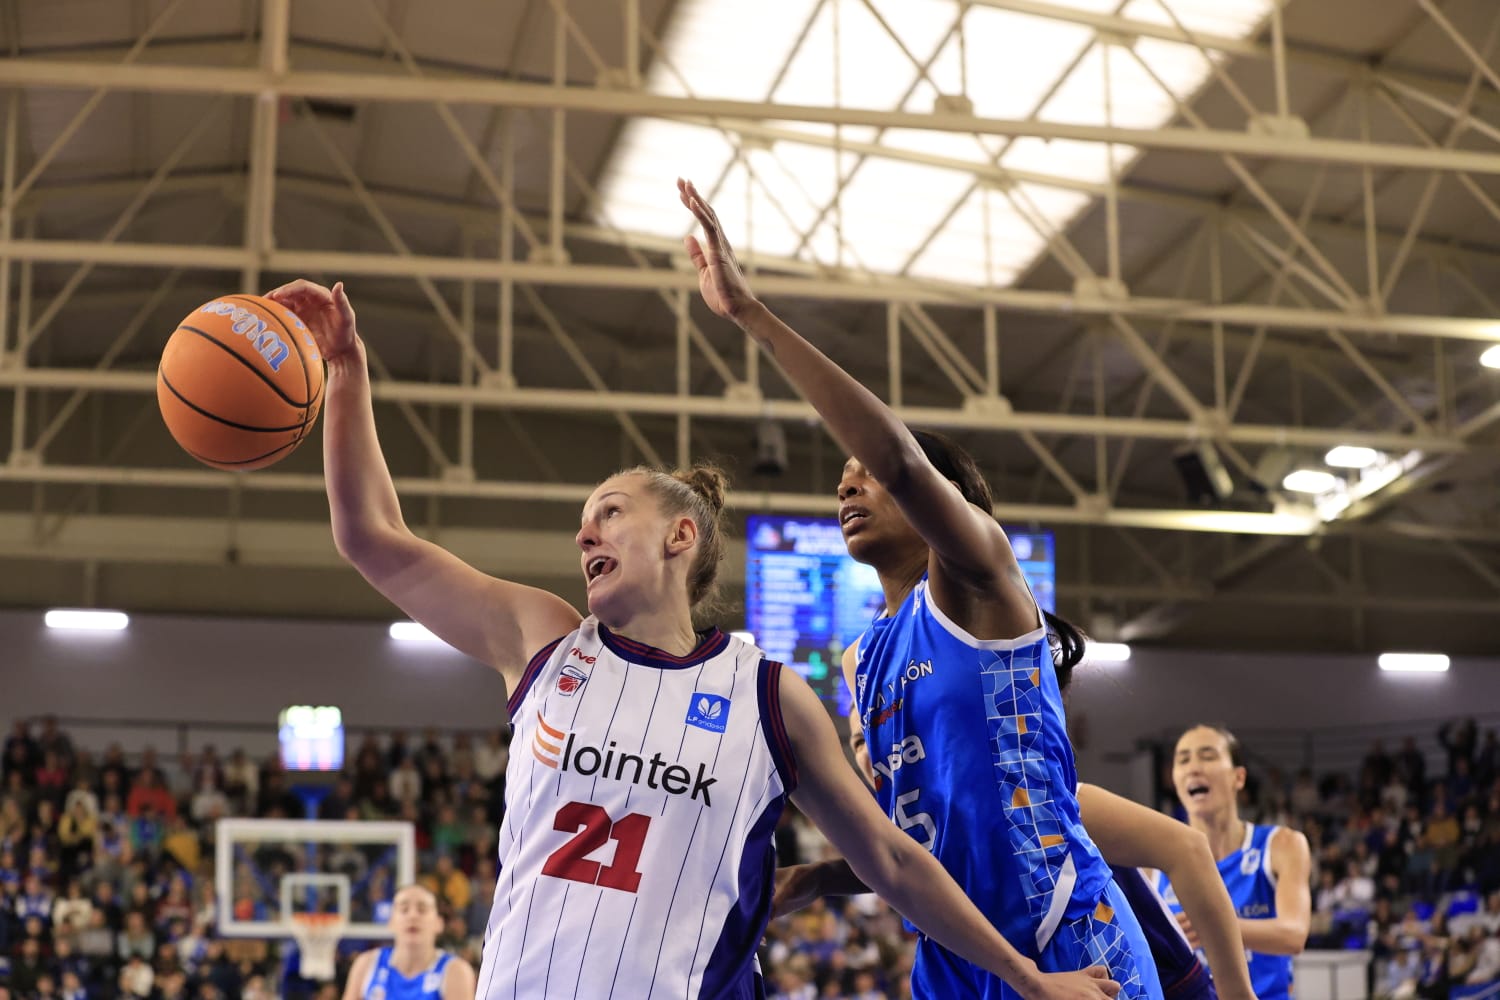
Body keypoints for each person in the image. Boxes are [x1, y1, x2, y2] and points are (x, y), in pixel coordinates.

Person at [267, 275, 1121, 1000]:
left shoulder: (768, 697)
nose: (584, 536)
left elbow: (893, 863)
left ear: (681, 536)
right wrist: (346, 369)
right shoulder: (544, 641)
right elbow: (371, 537)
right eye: (582, 523)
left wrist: (1031, 980)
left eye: (609, 513)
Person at [676, 178, 1166, 1000]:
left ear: (945, 499)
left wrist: (752, 316)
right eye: (841, 480)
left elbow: (901, 458)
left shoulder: (980, 581)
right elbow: (921, 841)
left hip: (1064, 939)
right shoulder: (864, 658)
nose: (848, 488)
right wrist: (813, 882)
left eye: (864, 474)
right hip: (956, 955)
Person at [1158, 726, 1311, 1000]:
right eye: (1183, 760)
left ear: (1238, 777)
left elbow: (1294, 934)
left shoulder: (1282, 844)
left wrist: (1209, 927)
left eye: (1207, 756)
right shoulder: (1154, 862)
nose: (1194, 768)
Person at [341, 884, 476, 1000]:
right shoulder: (366, 964)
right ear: (391, 922)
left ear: (439, 923)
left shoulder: (456, 971)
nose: (413, 916)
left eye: (422, 909)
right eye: (404, 909)